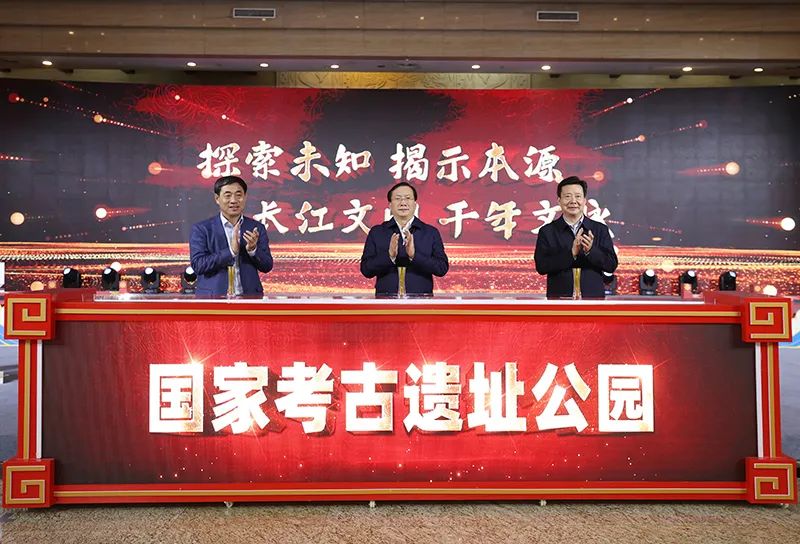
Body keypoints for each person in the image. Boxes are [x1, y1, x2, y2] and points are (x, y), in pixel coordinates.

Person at [534, 176, 617, 298]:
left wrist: (590, 251)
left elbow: (611, 265)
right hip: (559, 300)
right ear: (559, 201)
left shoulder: (599, 229)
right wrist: (571, 253)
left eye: (578, 196)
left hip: (593, 299)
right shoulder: (547, 231)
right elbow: (541, 267)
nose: (573, 201)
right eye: (567, 196)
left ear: (584, 200)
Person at [360, 182, 449, 296]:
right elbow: (366, 270)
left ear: (415, 204)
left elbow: (441, 268)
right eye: (397, 198)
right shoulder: (377, 232)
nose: (403, 203)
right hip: (385, 302)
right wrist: (389, 256)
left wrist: (414, 256)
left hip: (421, 302)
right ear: (390, 205)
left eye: (408, 198)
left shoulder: (430, 232)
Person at [189, 175, 273, 296]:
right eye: (227, 195)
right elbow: (198, 265)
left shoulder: (256, 228)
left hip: (250, 298)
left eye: (238, 195)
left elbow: (267, 266)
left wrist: (253, 250)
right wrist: (231, 252)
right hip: (213, 298)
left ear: (245, 197)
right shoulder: (202, 229)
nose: (233, 200)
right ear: (217, 198)